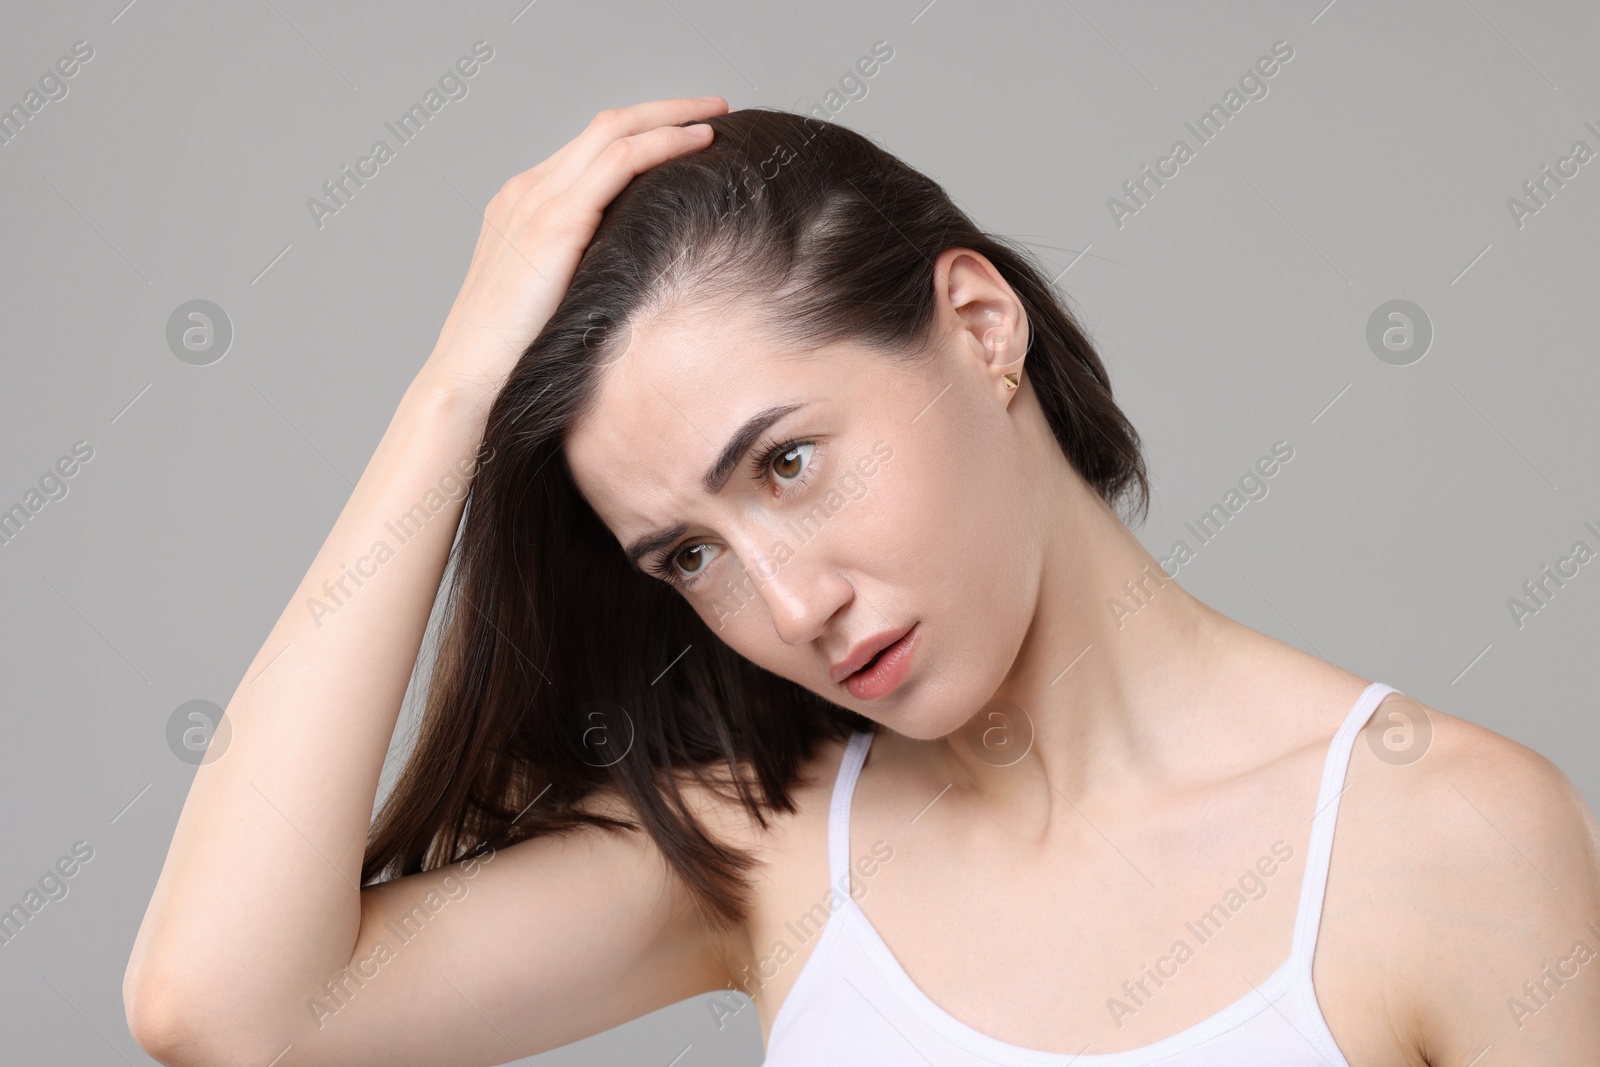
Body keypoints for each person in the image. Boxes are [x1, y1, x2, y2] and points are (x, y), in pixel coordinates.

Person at [123, 97, 1600, 1066]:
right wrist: (450, 395)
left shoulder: (1442, 837)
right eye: (687, 556)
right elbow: (222, 1010)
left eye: (786, 464)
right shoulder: (767, 852)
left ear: (976, 325)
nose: (787, 604)